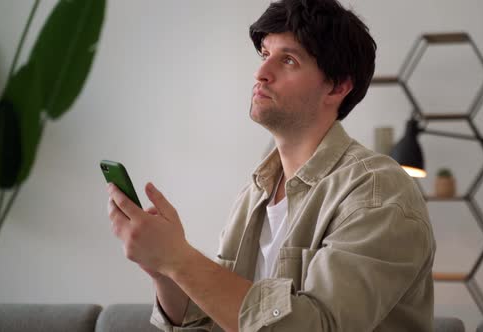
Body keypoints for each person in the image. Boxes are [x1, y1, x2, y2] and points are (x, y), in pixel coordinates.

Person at [106, 0, 435, 331]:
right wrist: (162, 268)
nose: (261, 73)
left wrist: (179, 259)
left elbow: (318, 325)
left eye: (288, 60)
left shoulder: (378, 192)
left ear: (337, 87)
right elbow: (208, 320)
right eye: (265, 55)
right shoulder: (255, 193)